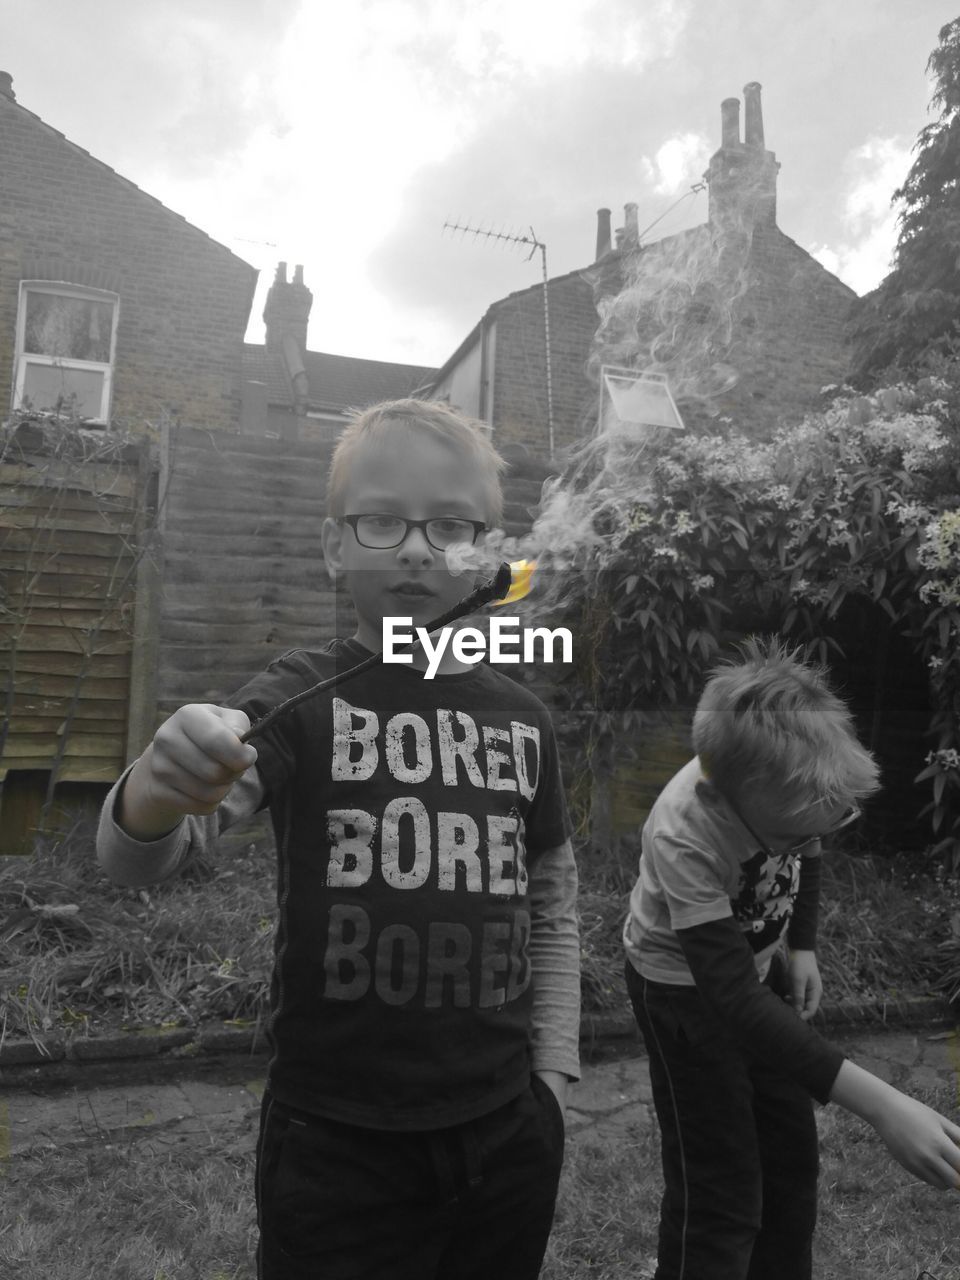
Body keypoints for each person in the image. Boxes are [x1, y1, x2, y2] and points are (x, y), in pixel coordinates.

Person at [96, 399, 580, 1280]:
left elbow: (550, 900)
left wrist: (554, 1075)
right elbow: (146, 859)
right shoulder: (299, 698)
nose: (416, 547)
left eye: (451, 525)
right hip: (337, 1143)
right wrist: (153, 791)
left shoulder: (526, 721)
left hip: (507, 1127)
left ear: (490, 558)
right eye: (383, 519)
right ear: (332, 547)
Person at [623, 637, 960, 1280]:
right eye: (798, 829)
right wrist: (884, 1104)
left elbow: (807, 847)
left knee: (789, 1165)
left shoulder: (791, 797)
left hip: (756, 971)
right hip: (683, 996)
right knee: (720, 1190)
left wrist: (800, 944)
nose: (815, 838)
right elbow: (727, 999)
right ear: (729, 802)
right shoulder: (685, 832)